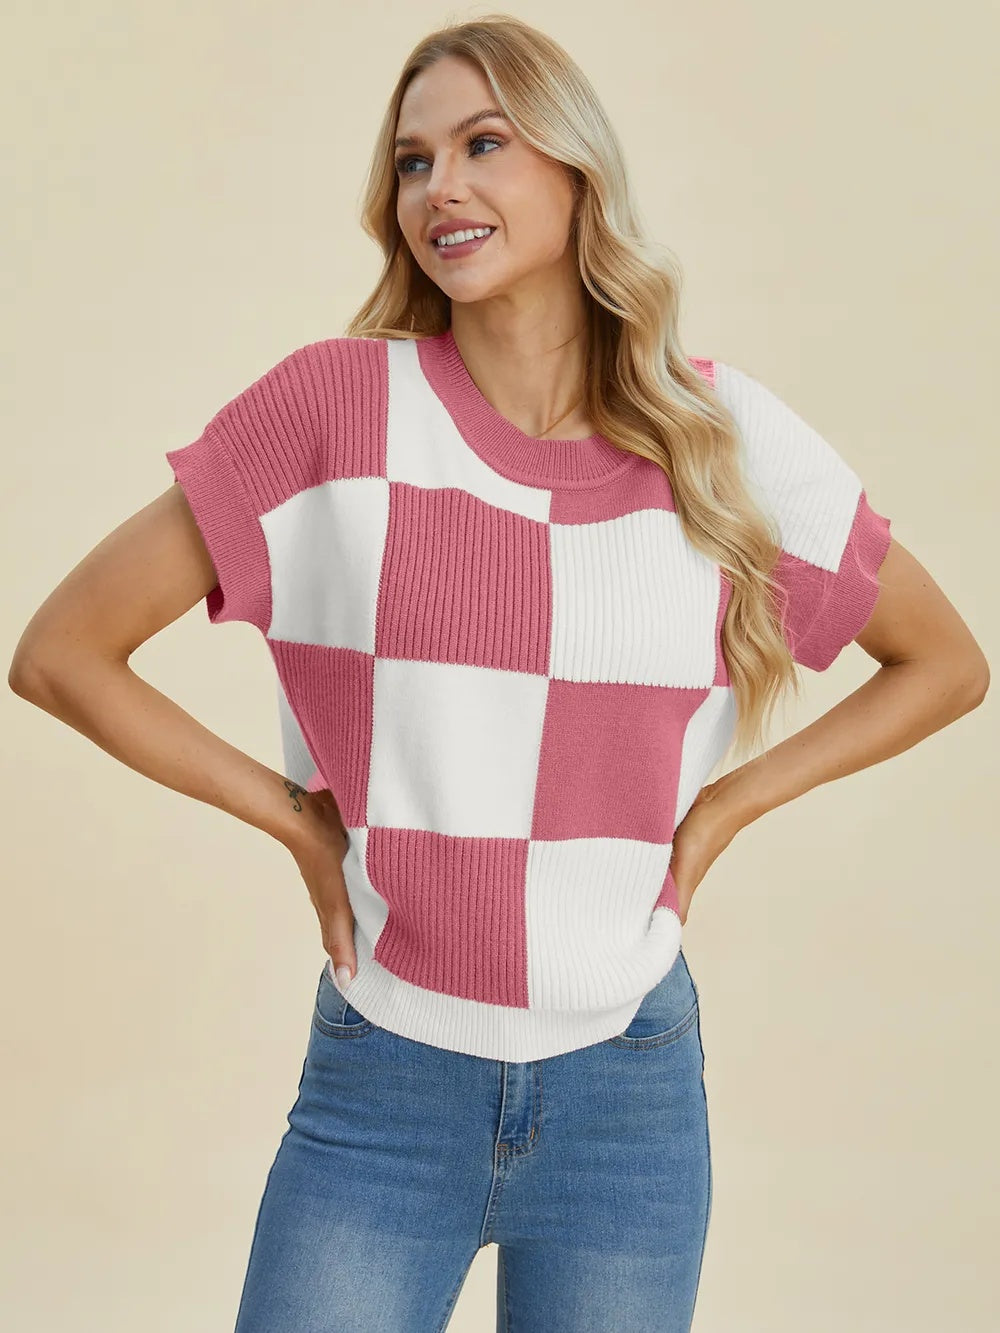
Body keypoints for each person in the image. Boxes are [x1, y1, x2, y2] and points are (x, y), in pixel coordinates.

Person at [8, 14, 989, 1333]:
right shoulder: (335, 412)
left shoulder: (722, 438)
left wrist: (727, 806)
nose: (440, 189)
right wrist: (295, 820)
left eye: (483, 144)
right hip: (385, 1085)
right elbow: (61, 653)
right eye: (413, 162)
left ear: (577, 170)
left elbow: (946, 663)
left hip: (628, 1093)